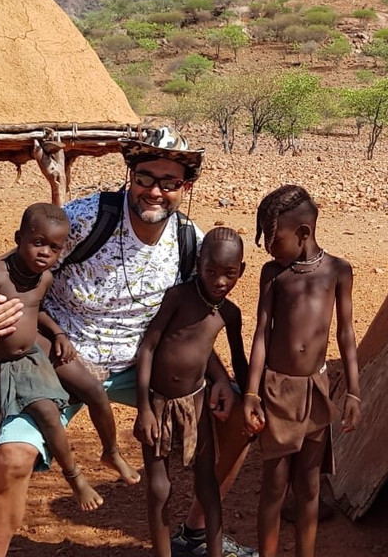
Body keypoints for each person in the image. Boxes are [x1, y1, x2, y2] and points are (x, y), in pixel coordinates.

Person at [0, 127, 257, 557]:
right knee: (13, 458)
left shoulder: (190, 241)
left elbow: (194, 322)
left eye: (169, 182)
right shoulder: (85, 220)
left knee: (238, 422)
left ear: (185, 187)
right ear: (129, 175)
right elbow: (1, 274)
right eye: (145, 178)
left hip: (147, 367)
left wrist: (223, 382)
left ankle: (194, 534)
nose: (155, 191)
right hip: (62, 361)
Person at [0, 202, 103, 511]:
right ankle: (71, 480)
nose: (44, 252)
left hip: (30, 358)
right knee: (27, 424)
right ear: (19, 238)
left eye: (54, 248)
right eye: (37, 242)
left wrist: (58, 334)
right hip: (1, 365)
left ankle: (78, 477)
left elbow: (35, 310)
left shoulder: (43, 279)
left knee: (52, 411)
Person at [243, 185, 363, 557]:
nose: (268, 247)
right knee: (274, 487)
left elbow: (345, 333)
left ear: (304, 233)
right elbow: (262, 333)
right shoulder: (273, 274)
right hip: (278, 391)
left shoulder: (338, 271)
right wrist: (252, 391)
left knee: (309, 486)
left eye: (273, 238)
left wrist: (354, 392)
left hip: (315, 390)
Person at [135, 227, 249, 557]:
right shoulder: (179, 298)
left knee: (207, 483)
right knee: (159, 488)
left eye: (229, 273)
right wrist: (143, 407)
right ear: (198, 264)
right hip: (157, 403)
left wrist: (252, 398)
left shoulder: (229, 313)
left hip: (197, 402)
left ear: (241, 270)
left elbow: (239, 363)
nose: (219, 281)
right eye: (211, 271)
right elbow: (148, 349)